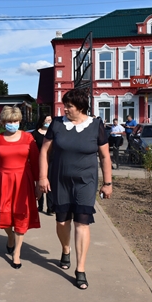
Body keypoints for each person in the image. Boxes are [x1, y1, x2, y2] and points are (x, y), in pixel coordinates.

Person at [39, 88, 112, 290]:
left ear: (80, 107)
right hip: (60, 181)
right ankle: (65, 248)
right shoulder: (57, 124)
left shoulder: (96, 125)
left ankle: (80, 269)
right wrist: (42, 177)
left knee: (82, 223)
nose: (65, 109)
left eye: (69, 106)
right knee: (62, 221)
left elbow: (105, 156)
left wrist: (107, 183)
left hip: (85, 183)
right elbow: (44, 151)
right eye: (65, 106)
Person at [0, 106, 40, 270]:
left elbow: (36, 163)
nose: (13, 124)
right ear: (3, 122)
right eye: (9, 121)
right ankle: (10, 236)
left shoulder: (28, 137)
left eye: (15, 121)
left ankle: (17, 252)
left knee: (21, 215)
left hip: (24, 182)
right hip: (4, 182)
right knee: (5, 215)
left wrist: (38, 185)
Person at [31, 114, 54, 215]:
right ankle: (39, 205)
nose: (49, 122)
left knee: (50, 185)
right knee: (39, 183)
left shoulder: (53, 133)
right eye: (47, 120)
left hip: (51, 161)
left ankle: (50, 208)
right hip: (38, 161)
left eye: (50, 121)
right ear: (42, 121)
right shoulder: (35, 134)